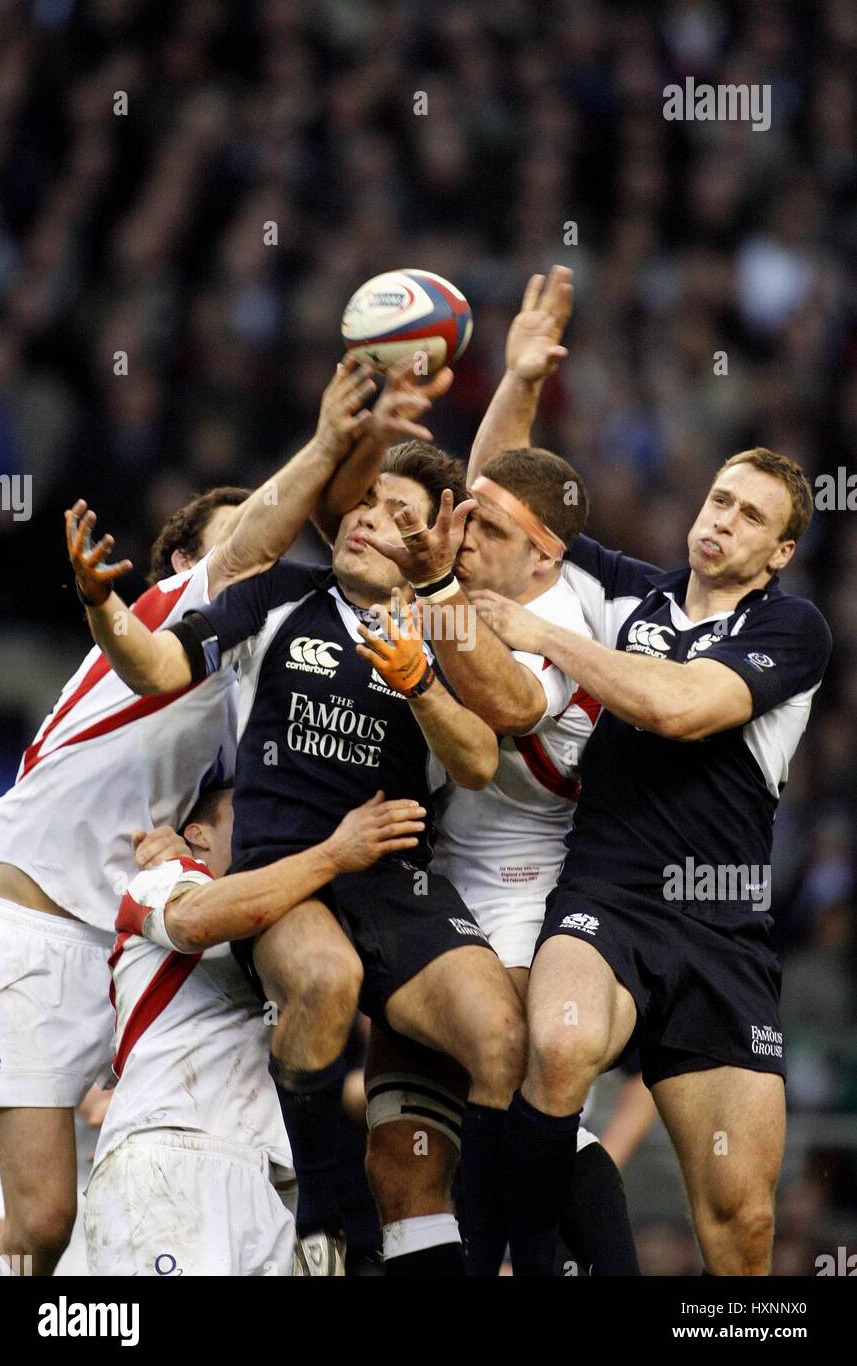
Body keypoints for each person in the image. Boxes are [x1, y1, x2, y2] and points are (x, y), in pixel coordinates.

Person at [0, 355, 431, 1277]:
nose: (268, 557)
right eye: (242, 540)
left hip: (114, 949)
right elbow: (240, 558)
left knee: (60, 1232)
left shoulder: (243, 697)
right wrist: (329, 442)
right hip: (34, 928)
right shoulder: (168, 611)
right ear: (187, 565)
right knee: (36, 1224)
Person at [66, 438, 527, 1277]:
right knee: (324, 981)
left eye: (399, 516)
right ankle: (324, 1217)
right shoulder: (279, 598)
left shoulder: (442, 635)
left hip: (395, 874)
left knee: (500, 1037)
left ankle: (490, 1256)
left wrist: (420, 681)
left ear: (427, 547)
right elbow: (160, 664)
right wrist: (106, 610)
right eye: (366, 503)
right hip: (287, 869)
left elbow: (479, 763)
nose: (367, 521)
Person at [464, 299, 832, 1274]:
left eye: (749, 515)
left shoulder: (791, 633)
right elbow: (498, 503)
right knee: (561, 1044)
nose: (721, 522)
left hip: (721, 931)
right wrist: (522, 380)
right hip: (607, 894)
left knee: (740, 1225)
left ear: (779, 553)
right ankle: (531, 1264)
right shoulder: (624, 585)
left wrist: (542, 633)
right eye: (718, 500)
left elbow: (677, 707)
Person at [326, 267, 652, 1275]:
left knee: (511, 1079)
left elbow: (509, 704)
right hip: (424, 875)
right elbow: (485, 486)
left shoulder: (563, 617)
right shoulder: (479, 564)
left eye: (488, 532)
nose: (460, 533)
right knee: (401, 1152)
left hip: (522, 882)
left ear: (543, 559)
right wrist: (514, 380)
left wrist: (431, 586)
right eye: (464, 519)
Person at [85, 784, 426, 1277]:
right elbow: (197, 922)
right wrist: (334, 853)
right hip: (171, 1154)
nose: (269, 828)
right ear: (197, 836)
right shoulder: (171, 877)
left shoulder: (299, 925)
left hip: (269, 1181)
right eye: (249, 816)